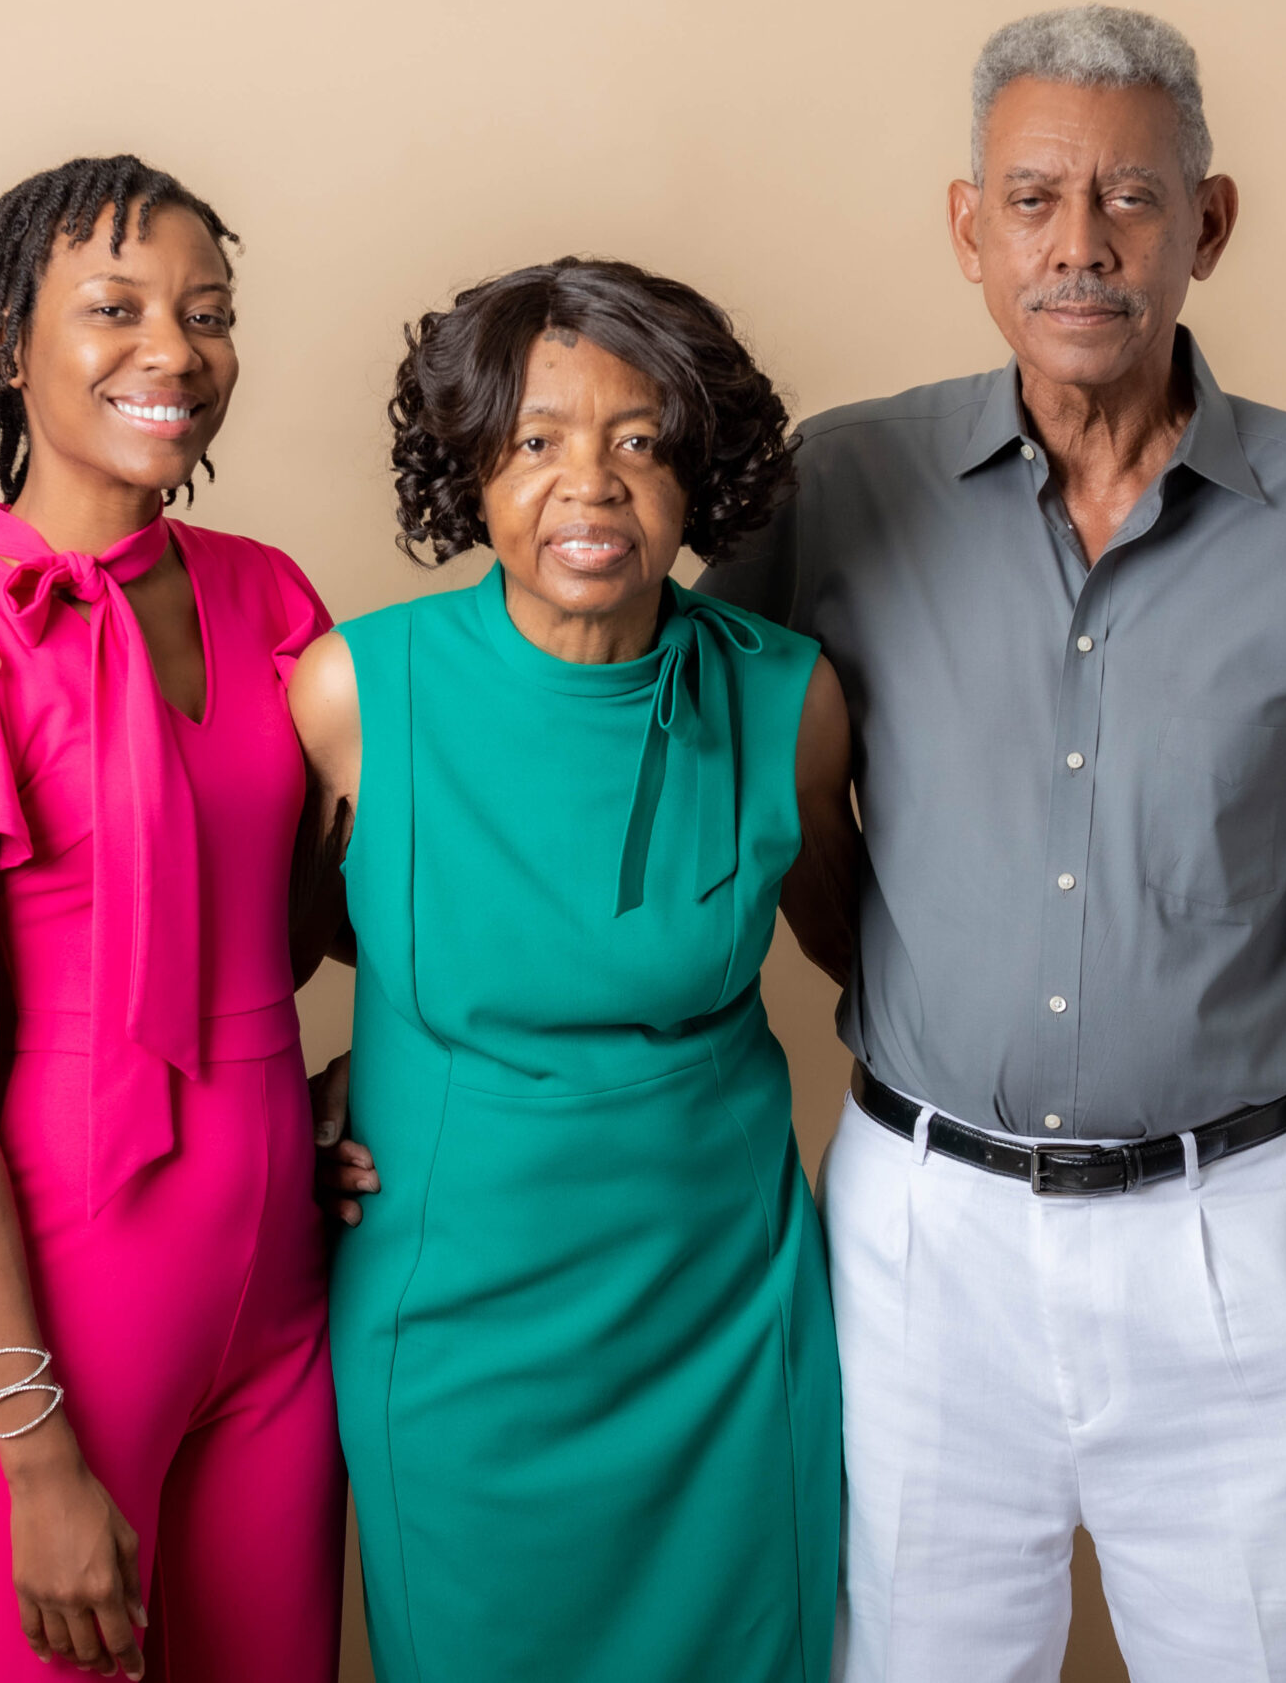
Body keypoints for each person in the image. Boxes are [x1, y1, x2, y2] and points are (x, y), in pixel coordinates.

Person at [699, 6, 1286, 1683]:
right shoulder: (841, 486)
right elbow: (681, 747)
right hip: (920, 1242)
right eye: (1032, 199)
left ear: (1208, 224)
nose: (1079, 247)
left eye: (1131, 199)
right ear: (967, 228)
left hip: (1240, 1236)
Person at [291, 257, 860, 1683]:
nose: (588, 485)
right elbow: (266, 954)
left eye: (639, 440)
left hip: (721, 1320)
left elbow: (870, 956)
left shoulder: (790, 698)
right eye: (537, 440)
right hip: (459, 1330)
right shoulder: (356, 691)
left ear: (697, 472)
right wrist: (277, 1111)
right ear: (472, 469)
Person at [0, 157, 345, 1682]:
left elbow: (329, 917)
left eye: (208, 312)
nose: (172, 349)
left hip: (278, 1302)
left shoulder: (274, 602)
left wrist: (372, 1086)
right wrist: (33, 1455)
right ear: (9, 345)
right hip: (46, 1319)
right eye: (113, 309)